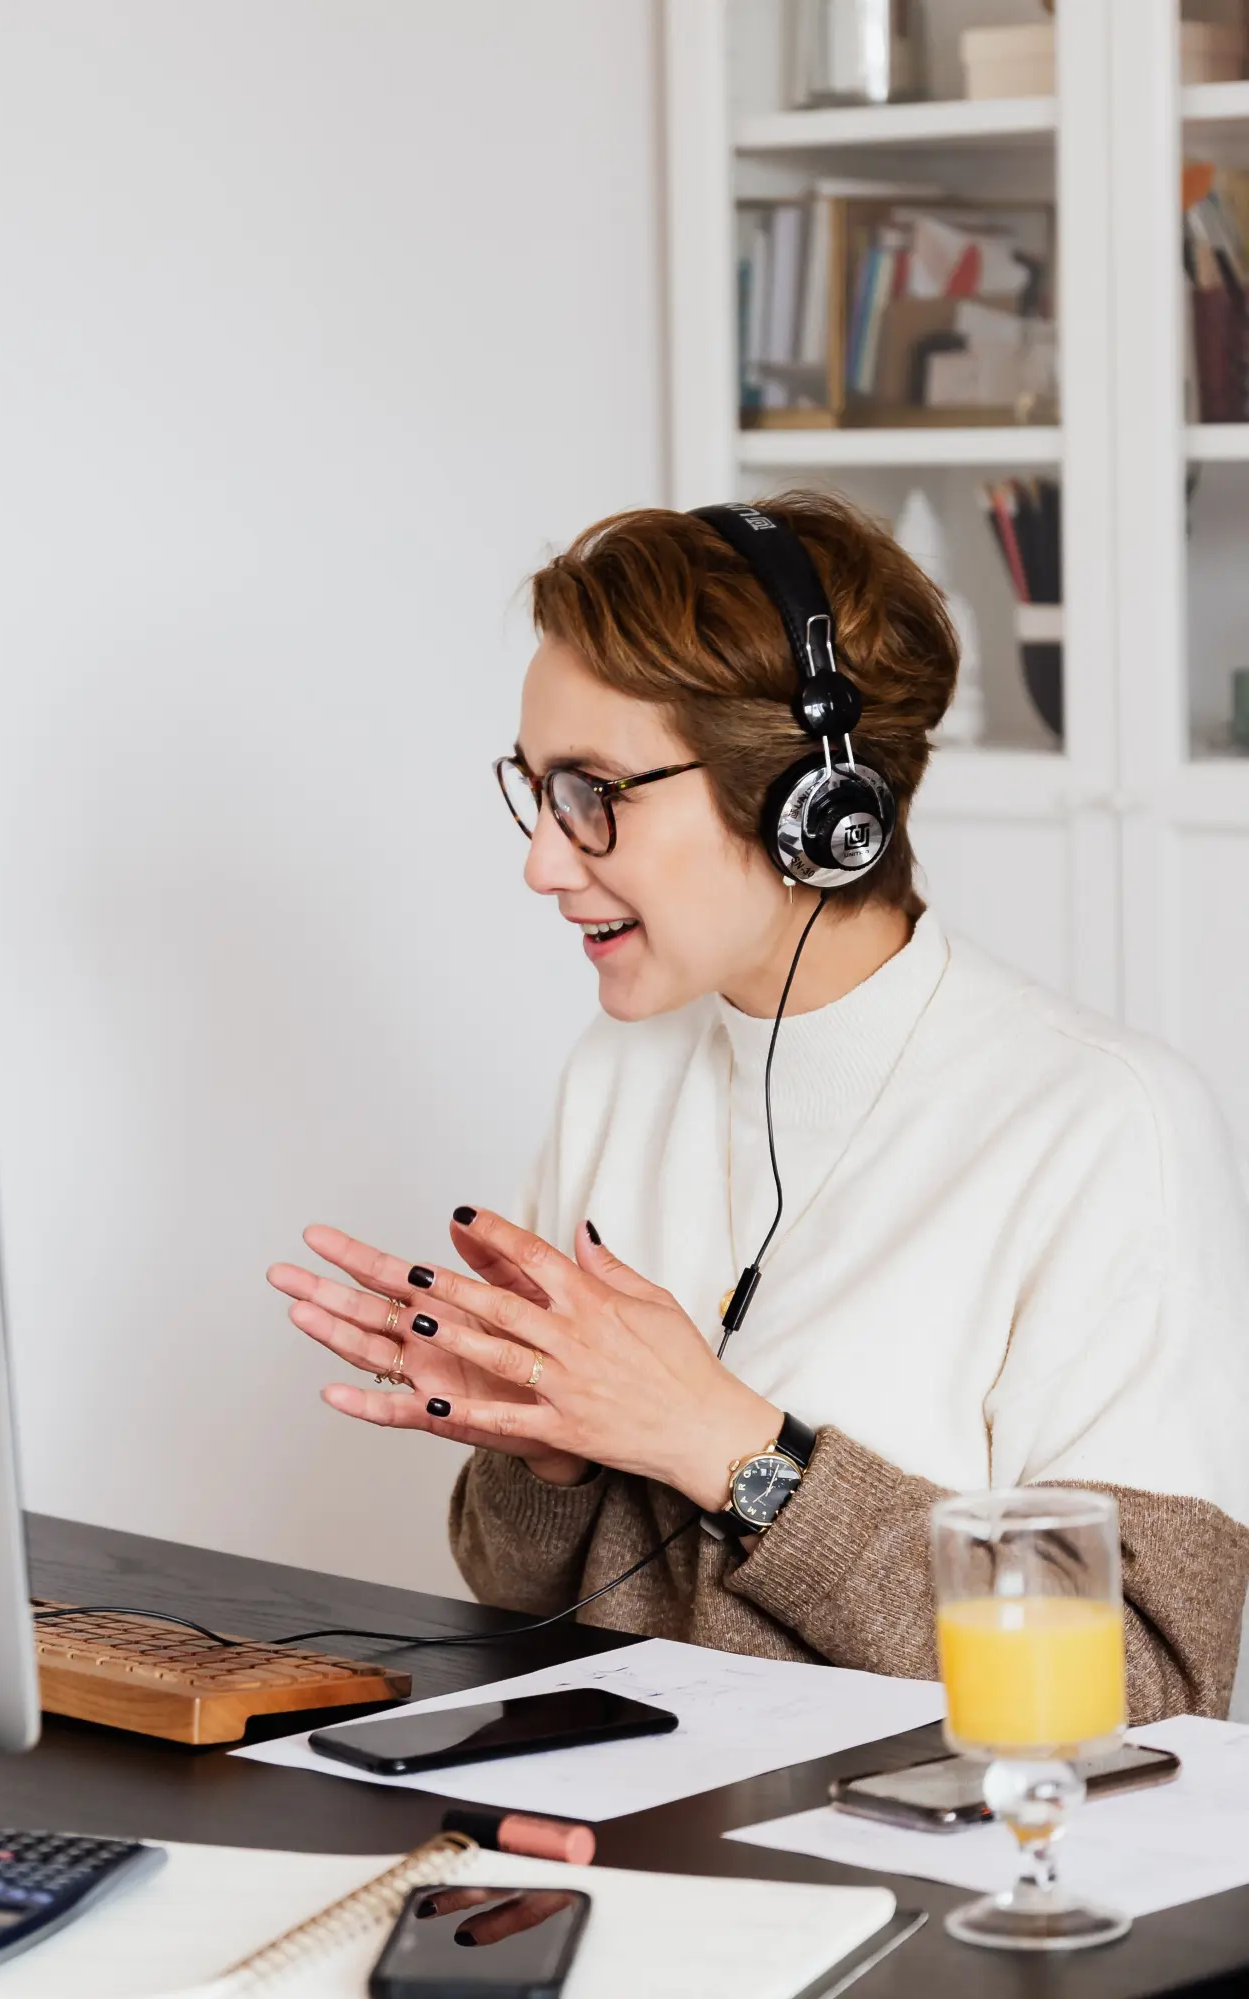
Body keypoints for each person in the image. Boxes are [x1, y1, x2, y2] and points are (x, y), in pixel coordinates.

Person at [267, 491, 1249, 1722]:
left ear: (809, 805)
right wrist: (546, 1451)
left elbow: (1145, 1684)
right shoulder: (615, 1072)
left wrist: (729, 1448)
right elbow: (517, 1593)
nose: (542, 860)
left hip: (934, 1884)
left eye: (594, 793)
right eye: (535, 791)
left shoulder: (1105, 1126)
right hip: (629, 1841)